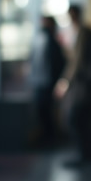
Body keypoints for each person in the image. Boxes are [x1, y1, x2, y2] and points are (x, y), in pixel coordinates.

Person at [56, 4, 91, 167]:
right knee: (83, 119)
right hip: (86, 84)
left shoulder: (83, 33)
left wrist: (65, 81)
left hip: (84, 84)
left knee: (76, 117)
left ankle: (85, 153)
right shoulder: (81, 32)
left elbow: (77, 61)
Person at [30, 15, 66, 147]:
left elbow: (57, 64)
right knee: (43, 112)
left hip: (46, 83)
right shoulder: (43, 40)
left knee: (46, 112)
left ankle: (49, 138)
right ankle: (48, 137)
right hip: (42, 82)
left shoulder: (48, 41)